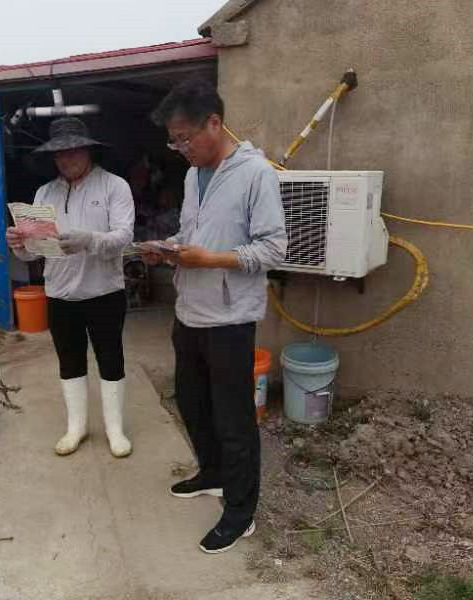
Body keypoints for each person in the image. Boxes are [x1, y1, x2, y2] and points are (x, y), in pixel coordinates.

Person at [144, 79, 287, 553]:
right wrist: (168, 250)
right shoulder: (192, 177)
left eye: (185, 138)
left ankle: (241, 511)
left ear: (214, 123)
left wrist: (212, 260)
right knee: (192, 402)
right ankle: (212, 473)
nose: (181, 148)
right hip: (189, 310)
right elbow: (194, 235)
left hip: (229, 318)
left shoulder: (256, 174)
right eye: (174, 141)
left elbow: (273, 249)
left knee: (233, 419)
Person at [6, 117, 135, 458]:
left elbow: (124, 238)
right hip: (60, 293)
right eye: (60, 153)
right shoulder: (44, 193)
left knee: (111, 358)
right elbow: (35, 250)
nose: (67, 158)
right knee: (69, 360)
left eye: (73, 150)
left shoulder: (114, 186)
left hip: (104, 291)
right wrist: (19, 244)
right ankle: (76, 427)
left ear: (88, 150)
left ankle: (115, 429)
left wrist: (89, 239)